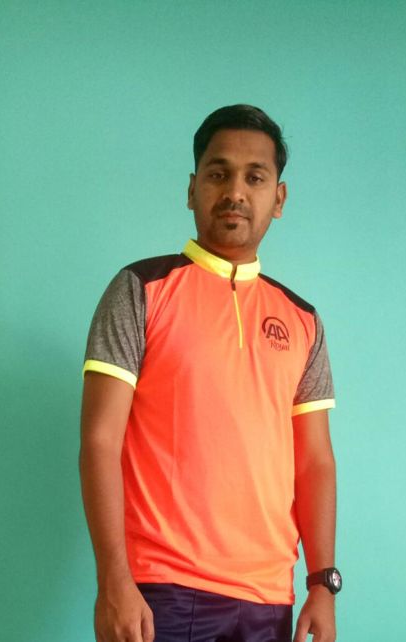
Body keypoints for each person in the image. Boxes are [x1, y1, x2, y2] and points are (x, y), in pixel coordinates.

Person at [80, 104, 341, 642]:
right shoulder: (140, 290)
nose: (235, 192)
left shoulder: (303, 321)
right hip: (160, 593)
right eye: (218, 174)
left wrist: (321, 583)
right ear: (192, 189)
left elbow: (315, 462)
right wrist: (114, 582)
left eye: (254, 177)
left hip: (269, 599)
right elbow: (100, 441)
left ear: (279, 198)